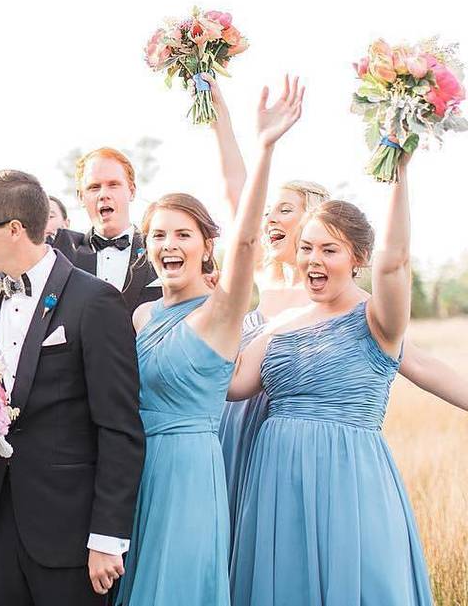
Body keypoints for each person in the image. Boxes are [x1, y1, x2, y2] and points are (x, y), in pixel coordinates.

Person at [207, 76, 468, 540]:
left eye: (284, 209)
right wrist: (216, 107)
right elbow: (236, 192)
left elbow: (412, 354)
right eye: (268, 211)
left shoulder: (358, 308)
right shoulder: (264, 277)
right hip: (248, 428)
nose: (269, 217)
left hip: (319, 445)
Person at [115, 76, 303, 606]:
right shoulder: (143, 315)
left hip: (190, 473)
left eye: (182, 234)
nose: (169, 245)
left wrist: (253, 137)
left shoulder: (221, 313)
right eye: (158, 235)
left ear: (205, 246)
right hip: (135, 472)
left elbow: (246, 236)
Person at [228, 151, 438, 604]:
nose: (313, 260)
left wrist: (399, 172)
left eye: (329, 250)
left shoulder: (378, 320)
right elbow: (231, 385)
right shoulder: (278, 326)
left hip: (350, 477)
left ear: (358, 257)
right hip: (275, 481)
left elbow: (395, 262)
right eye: (306, 248)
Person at [0, 170, 144, 606]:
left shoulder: (94, 300)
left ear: (13, 230)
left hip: (71, 530)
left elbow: (120, 426)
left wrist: (107, 537)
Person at [50, 148, 161, 314]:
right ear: (81, 197)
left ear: (131, 191)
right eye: (94, 187)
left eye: (113, 185)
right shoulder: (63, 255)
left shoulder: (158, 248)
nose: (103, 194)